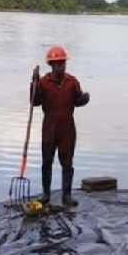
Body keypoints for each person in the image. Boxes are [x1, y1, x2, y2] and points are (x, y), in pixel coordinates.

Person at [33, 45, 90, 206]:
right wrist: (34, 83)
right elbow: (34, 102)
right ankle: (46, 194)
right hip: (49, 128)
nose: (60, 66)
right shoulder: (43, 82)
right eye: (56, 63)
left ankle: (66, 196)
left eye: (62, 63)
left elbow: (78, 101)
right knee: (46, 162)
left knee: (67, 163)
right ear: (50, 65)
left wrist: (84, 99)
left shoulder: (72, 82)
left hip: (67, 129)